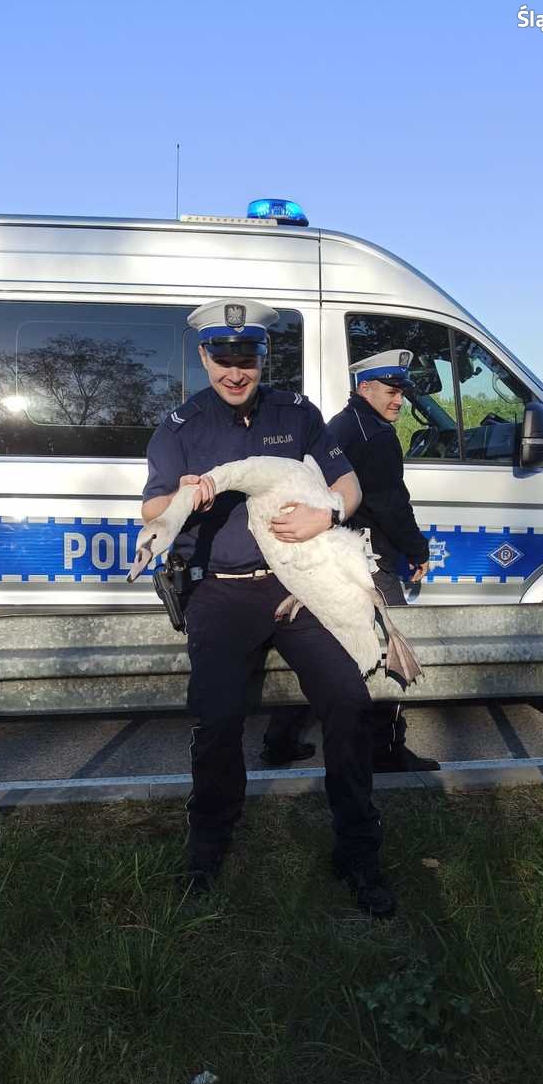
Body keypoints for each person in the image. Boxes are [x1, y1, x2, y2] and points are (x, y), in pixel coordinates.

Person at [140, 298, 396, 916]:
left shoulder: (297, 414)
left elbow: (348, 486)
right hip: (221, 592)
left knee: (348, 699)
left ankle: (357, 850)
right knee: (219, 718)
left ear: (262, 356)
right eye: (222, 356)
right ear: (204, 357)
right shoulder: (181, 427)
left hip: (295, 588)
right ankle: (208, 846)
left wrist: (326, 514)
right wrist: (180, 498)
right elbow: (150, 511)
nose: (235, 370)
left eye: (246, 355)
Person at [328, 350, 440, 773]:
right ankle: (387, 750)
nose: (399, 401)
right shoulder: (375, 434)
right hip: (370, 559)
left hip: (342, 552)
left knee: (330, 644)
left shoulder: (343, 424)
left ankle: (280, 737)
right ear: (365, 387)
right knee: (394, 643)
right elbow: (391, 504)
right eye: (392, 391)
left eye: (401, 393)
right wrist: (418, 549)